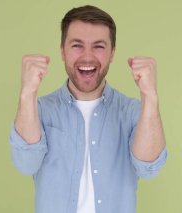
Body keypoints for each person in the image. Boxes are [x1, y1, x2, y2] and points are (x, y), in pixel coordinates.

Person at [9, 5, 168, 213]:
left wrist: (150, 96)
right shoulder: (40, 109)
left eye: (98, 46)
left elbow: (149, 168)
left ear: (112, 53)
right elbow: (25, 163)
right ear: (62, 51)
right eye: (77, 45)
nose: (87, 56)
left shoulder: (132, 111)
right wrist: (27, 93)